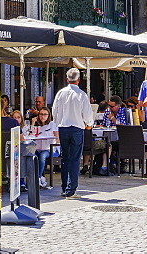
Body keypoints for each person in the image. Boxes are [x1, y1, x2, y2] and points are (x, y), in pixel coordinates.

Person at [51, 67, 93, 198]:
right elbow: (87, 113)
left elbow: (54, 111)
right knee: (75, 160)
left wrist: (58, 122)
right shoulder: (81, 95)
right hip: (76, 128)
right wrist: (89, 124)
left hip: (63, 128)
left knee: (65, 159)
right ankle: (71, 189)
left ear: (67, 79)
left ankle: (65, 188)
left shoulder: (60, 93)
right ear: (79, 80)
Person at [97, 96, 130, 175]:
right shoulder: (107, 111)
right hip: (109, 137)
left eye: (112, 106)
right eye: (109, 105)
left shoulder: (123, 112)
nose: (110, 108)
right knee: (107, 144)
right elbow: (104, 124)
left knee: (109, 144)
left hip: (121, 138)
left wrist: (113, 118)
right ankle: (105, 166)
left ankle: (109, 165)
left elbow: (122, 125)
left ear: (118, 106)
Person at [30, 107, 57, 188]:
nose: (43, 116)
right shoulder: (37, 126)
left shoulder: (52, 124)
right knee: (30, 154)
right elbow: (30, 135)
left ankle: (37, 178)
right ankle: (37, 177)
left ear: (48, 115)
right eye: (41, 114)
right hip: (38, 148)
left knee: (42, 156)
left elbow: (57, 138)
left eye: (45, 114)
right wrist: (32, 124)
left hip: (49, 149)